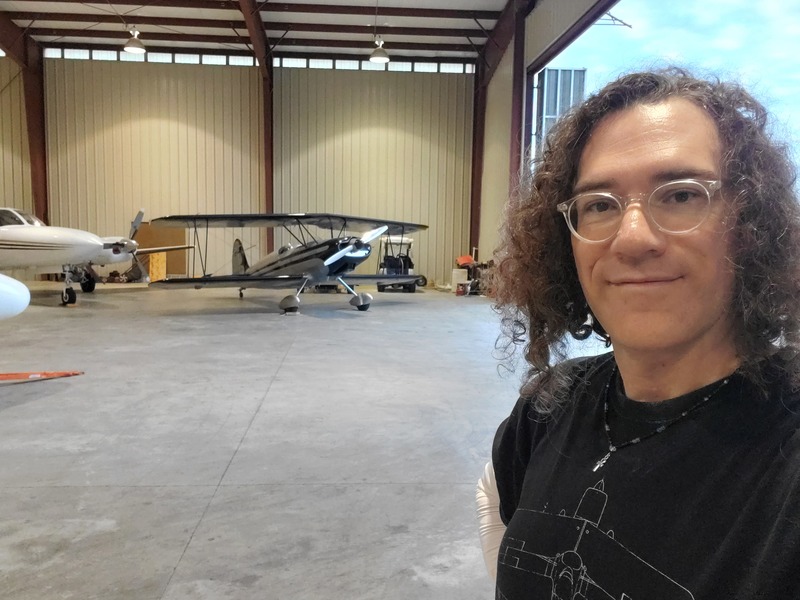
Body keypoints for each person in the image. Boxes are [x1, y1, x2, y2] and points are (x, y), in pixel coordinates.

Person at [476, 68, 800, 599]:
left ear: (750, 223)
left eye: (680, 195)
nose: (631, 239)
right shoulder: (548, 408)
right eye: (600, 204)